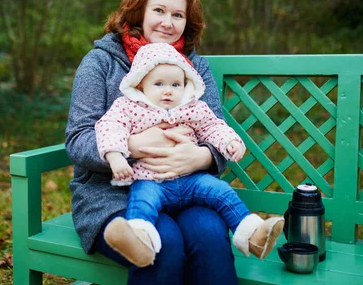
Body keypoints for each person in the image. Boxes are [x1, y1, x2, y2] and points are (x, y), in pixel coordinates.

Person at [66, 0, 252, 284]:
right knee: (163, 244)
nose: (167, 21)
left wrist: (202, 158)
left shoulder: (194, 67)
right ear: (139, 10)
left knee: (209, 235)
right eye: (159, 10)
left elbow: (213, 126)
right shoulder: (101, 61)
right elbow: (78, 138)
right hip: (111, 193)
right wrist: (133, 147)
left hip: (186, 187)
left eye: (177, 14)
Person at [96, 42, 284, 267]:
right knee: (142, 201)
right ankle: (139, 241)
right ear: (141, 84)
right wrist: (116, 156)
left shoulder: (193, 107)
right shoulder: (129, 107)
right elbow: (109, 127)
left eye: (176, 84)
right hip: (151, 180)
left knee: (221, 191)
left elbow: (213, 126)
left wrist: (230, 141)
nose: (168, 90)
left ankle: (252, 235)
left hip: (191, 179)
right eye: (159, 83)